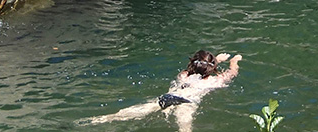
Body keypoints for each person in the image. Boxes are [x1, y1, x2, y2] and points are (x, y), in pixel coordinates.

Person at [82, 50, 241, 132]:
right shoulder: (215, 81)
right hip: (187, 102)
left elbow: (200, 68)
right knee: (185, 128)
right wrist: (234, 61)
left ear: (192, 63)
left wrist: (216, 59)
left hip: (169, 97)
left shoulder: (183, 75)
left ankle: (98, 120)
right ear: (212, 66)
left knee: (127, 114)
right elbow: (232, 73)